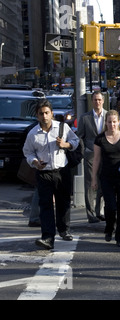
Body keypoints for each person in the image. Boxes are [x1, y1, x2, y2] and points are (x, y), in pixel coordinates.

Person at [23, 99, 80, 250]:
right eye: (41, 114)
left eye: (47, 113)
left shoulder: (63, 127)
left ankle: (63, 229)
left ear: (52, 114)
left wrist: (66, 144)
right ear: (37, 116)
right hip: (44, 173)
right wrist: (35, 162)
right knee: (45, 205)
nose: (44, 116)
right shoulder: (33, 134)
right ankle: (47, 237)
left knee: (63, 202)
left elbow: (76, 141)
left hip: (62, 171)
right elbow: (27, 152)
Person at [91, 110, 120, 247]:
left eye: (114, 122)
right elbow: (96, 159)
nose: (112, 124)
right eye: (109, 122)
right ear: (106, 123)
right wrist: (94, 179)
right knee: (111, 207)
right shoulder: (100, 139)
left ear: (118, 122)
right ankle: (109, 228)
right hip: (107, 177)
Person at [76, 91, 107, 223]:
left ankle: (99, 211)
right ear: (92, 101)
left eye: (99, 100)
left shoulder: (109, 116)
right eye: (95, 100)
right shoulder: (85, 117)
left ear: (103, 101)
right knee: (89, 184)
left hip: (106, 155)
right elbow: (80, 136)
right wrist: (84, 152)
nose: (97, 102)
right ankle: (91, 214)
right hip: (90, 154)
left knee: (103, 184)